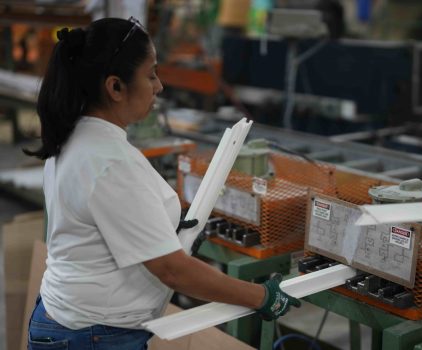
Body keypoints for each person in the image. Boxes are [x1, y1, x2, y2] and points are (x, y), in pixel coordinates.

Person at [24, 17, 300, 350]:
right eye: (151, 74)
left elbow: (103, 227)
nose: (159, 86)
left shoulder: (75, 134)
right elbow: (173, 272)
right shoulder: (110, 163)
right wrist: (262, 296)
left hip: (72, 320)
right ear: (115, 87)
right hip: (91, 335)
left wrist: (164, 229)